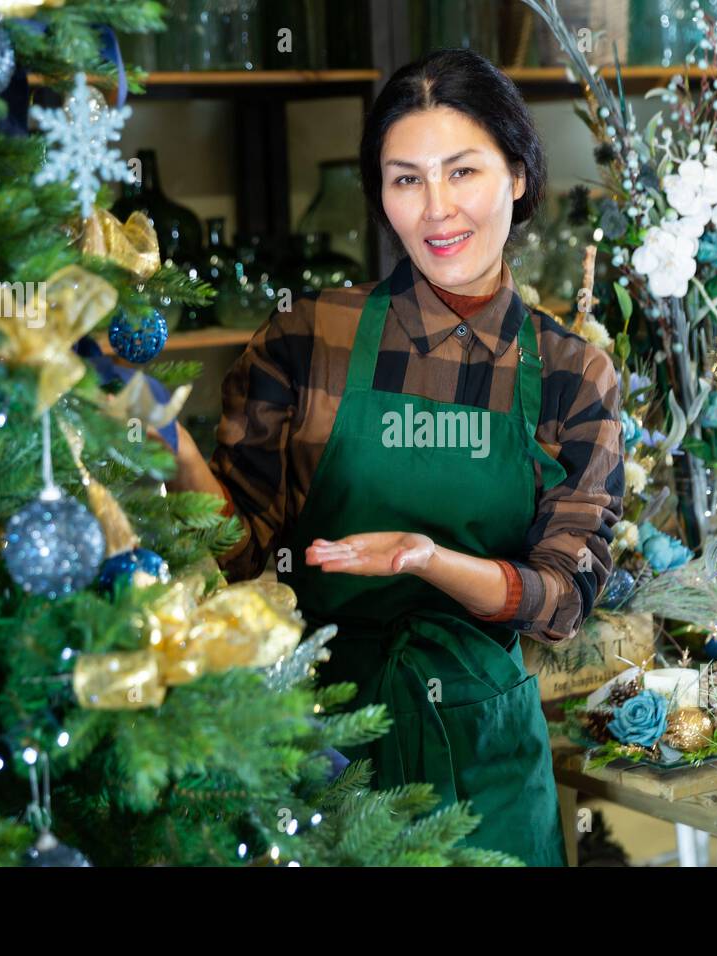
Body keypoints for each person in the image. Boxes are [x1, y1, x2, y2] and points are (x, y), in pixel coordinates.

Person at [168, 48, 623, 866]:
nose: (437, 209)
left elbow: (563, 599)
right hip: (321, 746)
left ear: (518, 176)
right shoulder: (311, 340)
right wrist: (162, 442)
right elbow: (234, 562)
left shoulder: (567, 372)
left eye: (463, 171)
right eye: (405, 178)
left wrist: (429, 561)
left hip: (486, 765)